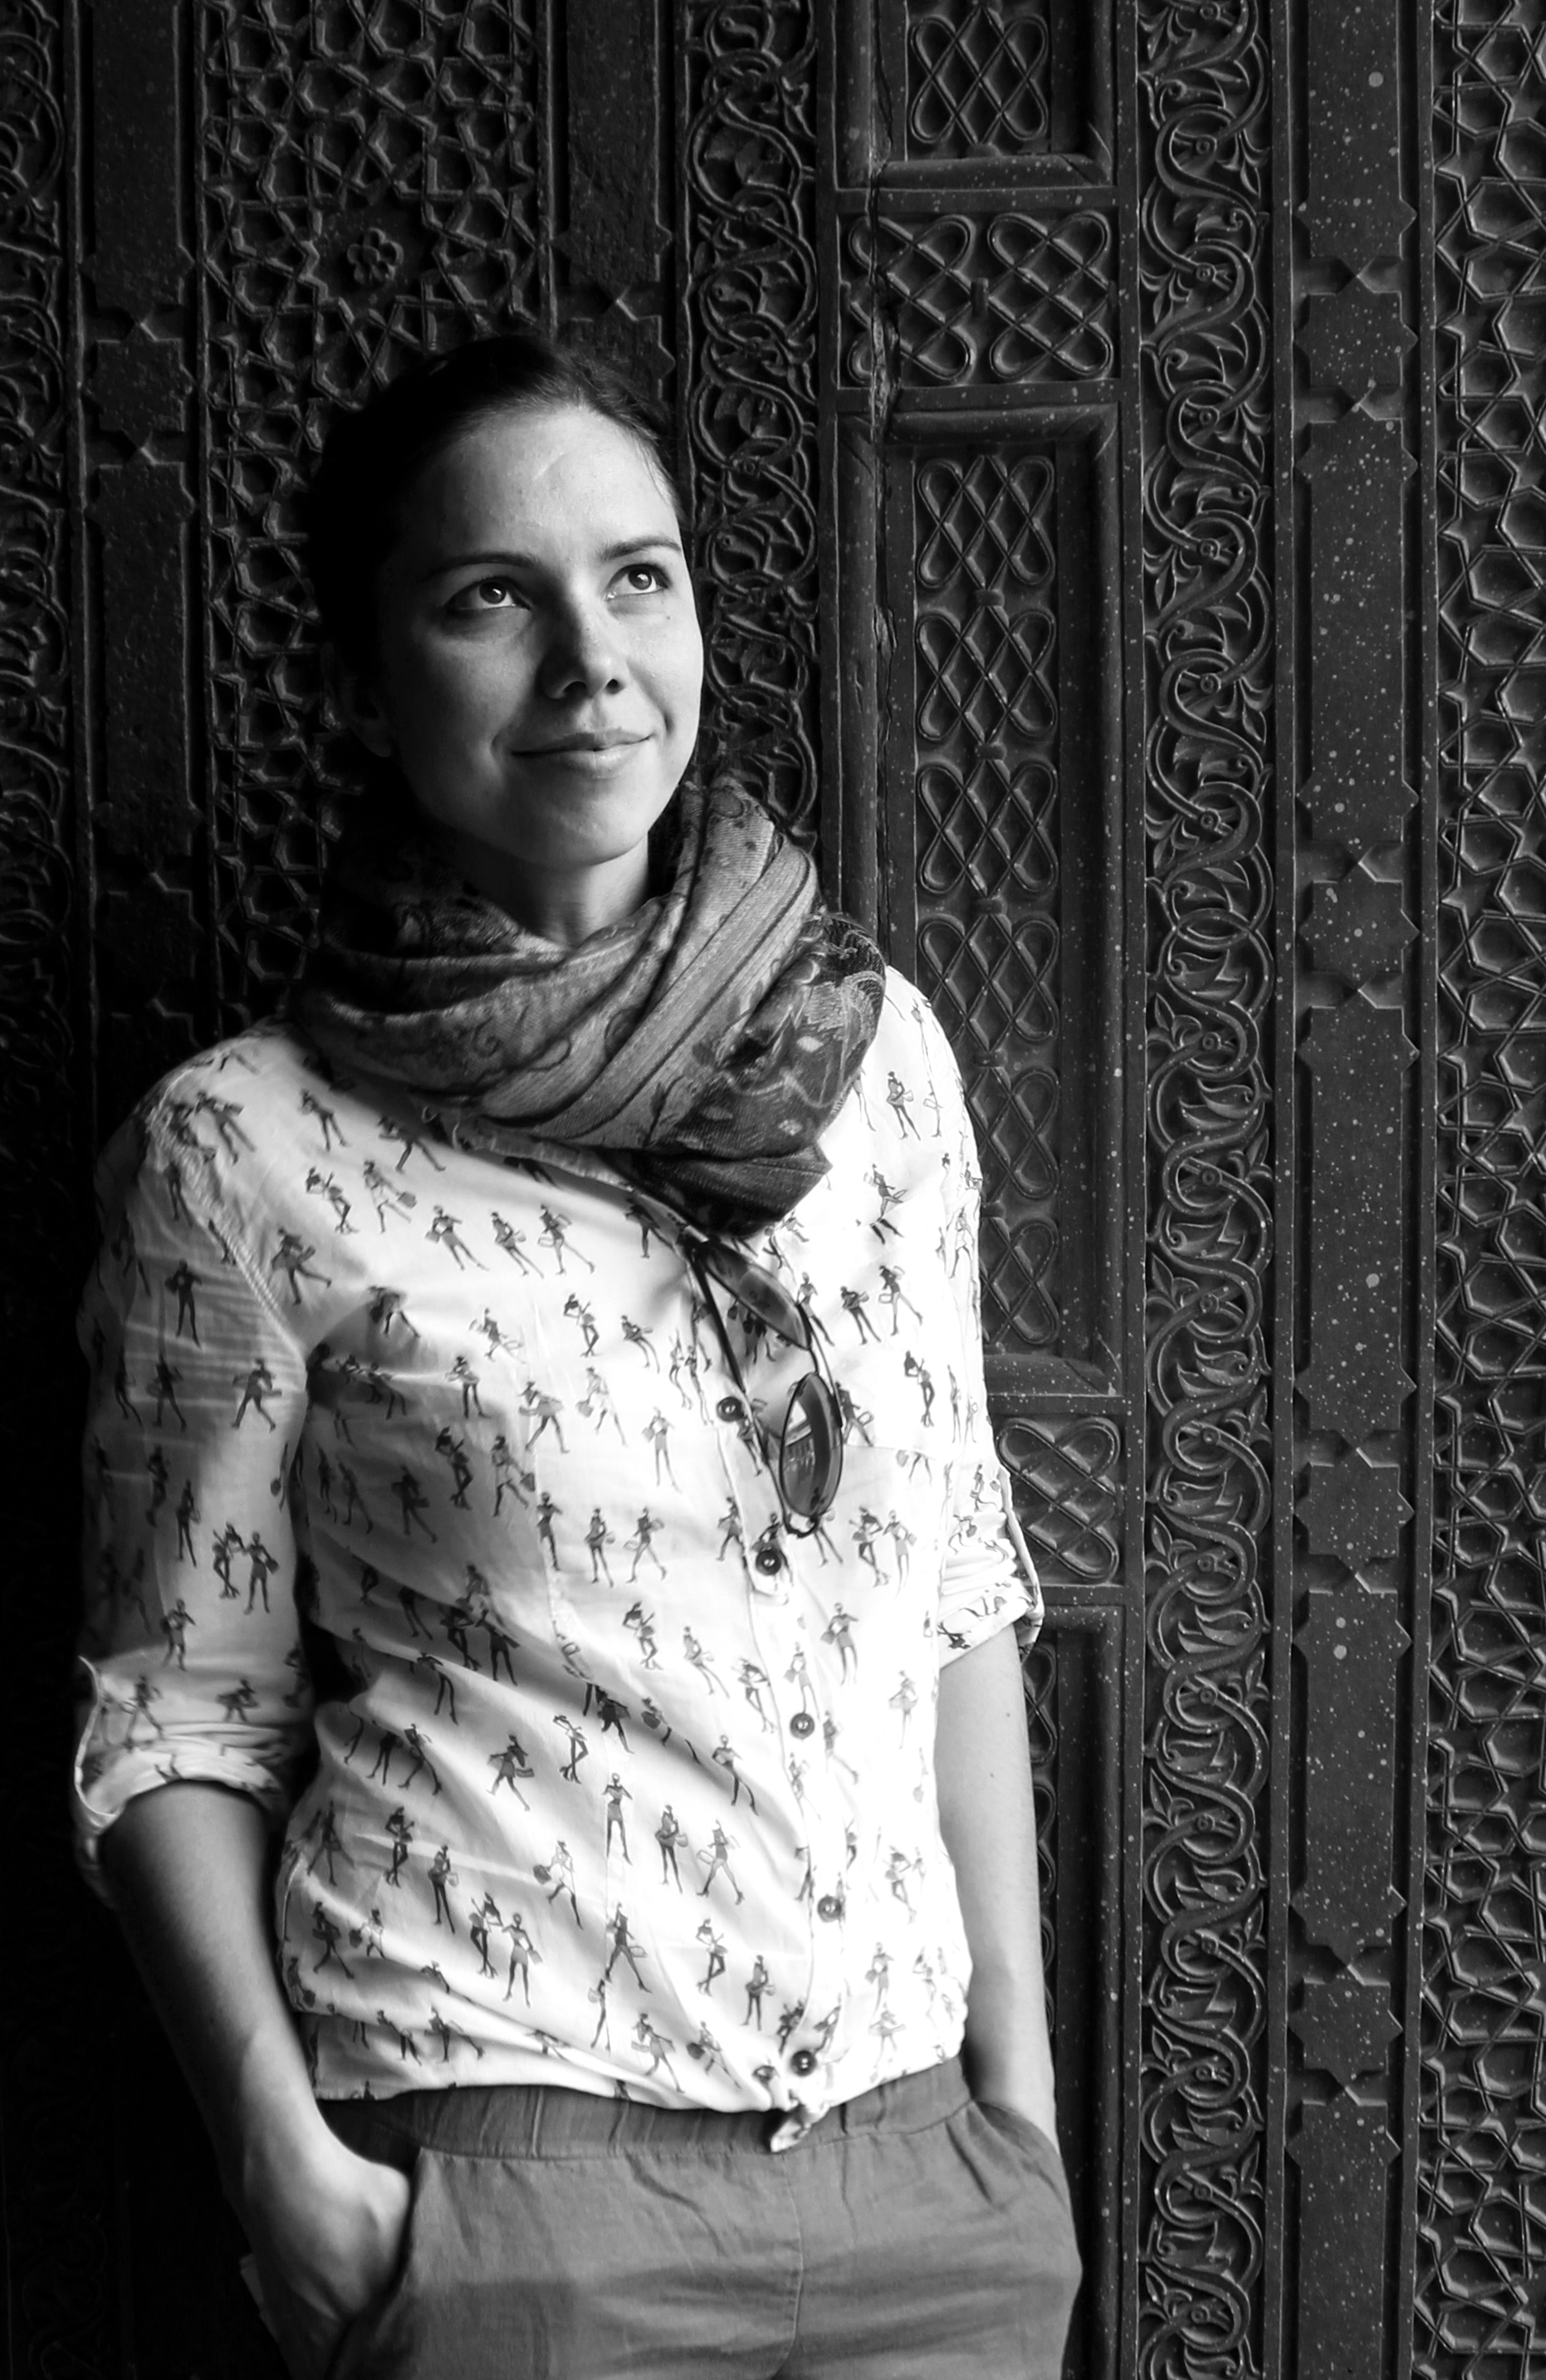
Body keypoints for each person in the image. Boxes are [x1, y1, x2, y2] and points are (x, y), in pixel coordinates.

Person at [72, 332, 1080, 2379]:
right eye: (489, 597)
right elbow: (172, 1712)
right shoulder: (250, 1146)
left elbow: (956, 1587)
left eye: (637, 579)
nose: (590, 661)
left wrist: (1016, 2111)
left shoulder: (870, 1060)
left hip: (923, 2181)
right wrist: (282, 2163)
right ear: (361, 682)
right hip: (510, 2185)